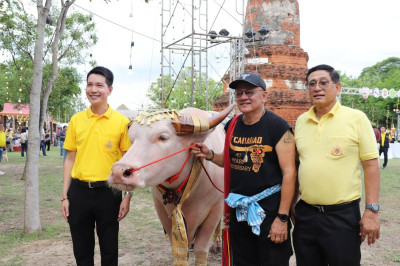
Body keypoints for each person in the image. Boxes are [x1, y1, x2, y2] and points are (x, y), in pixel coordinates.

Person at [191, 72, 296, 265]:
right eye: (239, 93)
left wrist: (282, 218)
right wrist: (210, 155)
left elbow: (290, 173)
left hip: (269, 212)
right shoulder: (232, 125)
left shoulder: (278, 126)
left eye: (249, 92)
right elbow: (230, 161)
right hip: (239, 210)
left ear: (264, 96)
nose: (244, 97)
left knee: (272, 260)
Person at [293, 64, 380, 266]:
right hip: (306, 215)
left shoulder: (356, 118)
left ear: (338, 87)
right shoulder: (301, 121)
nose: (317, 88)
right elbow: (297, 166)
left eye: (324, 83)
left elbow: (370, 166)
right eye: (312, 84)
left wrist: (371, 210)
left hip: (341, 216)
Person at [61, 66, 132, 266]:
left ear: (109, 90)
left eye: (99, 85)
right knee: (81, 252)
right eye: (90, 85)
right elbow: (69, 159)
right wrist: (65, 196)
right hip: (78, 192)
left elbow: (128, 163)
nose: (93, 89)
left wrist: (127, 196)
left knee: (110, 251)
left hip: (109, 193)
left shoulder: (121, 122)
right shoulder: (76, 120)